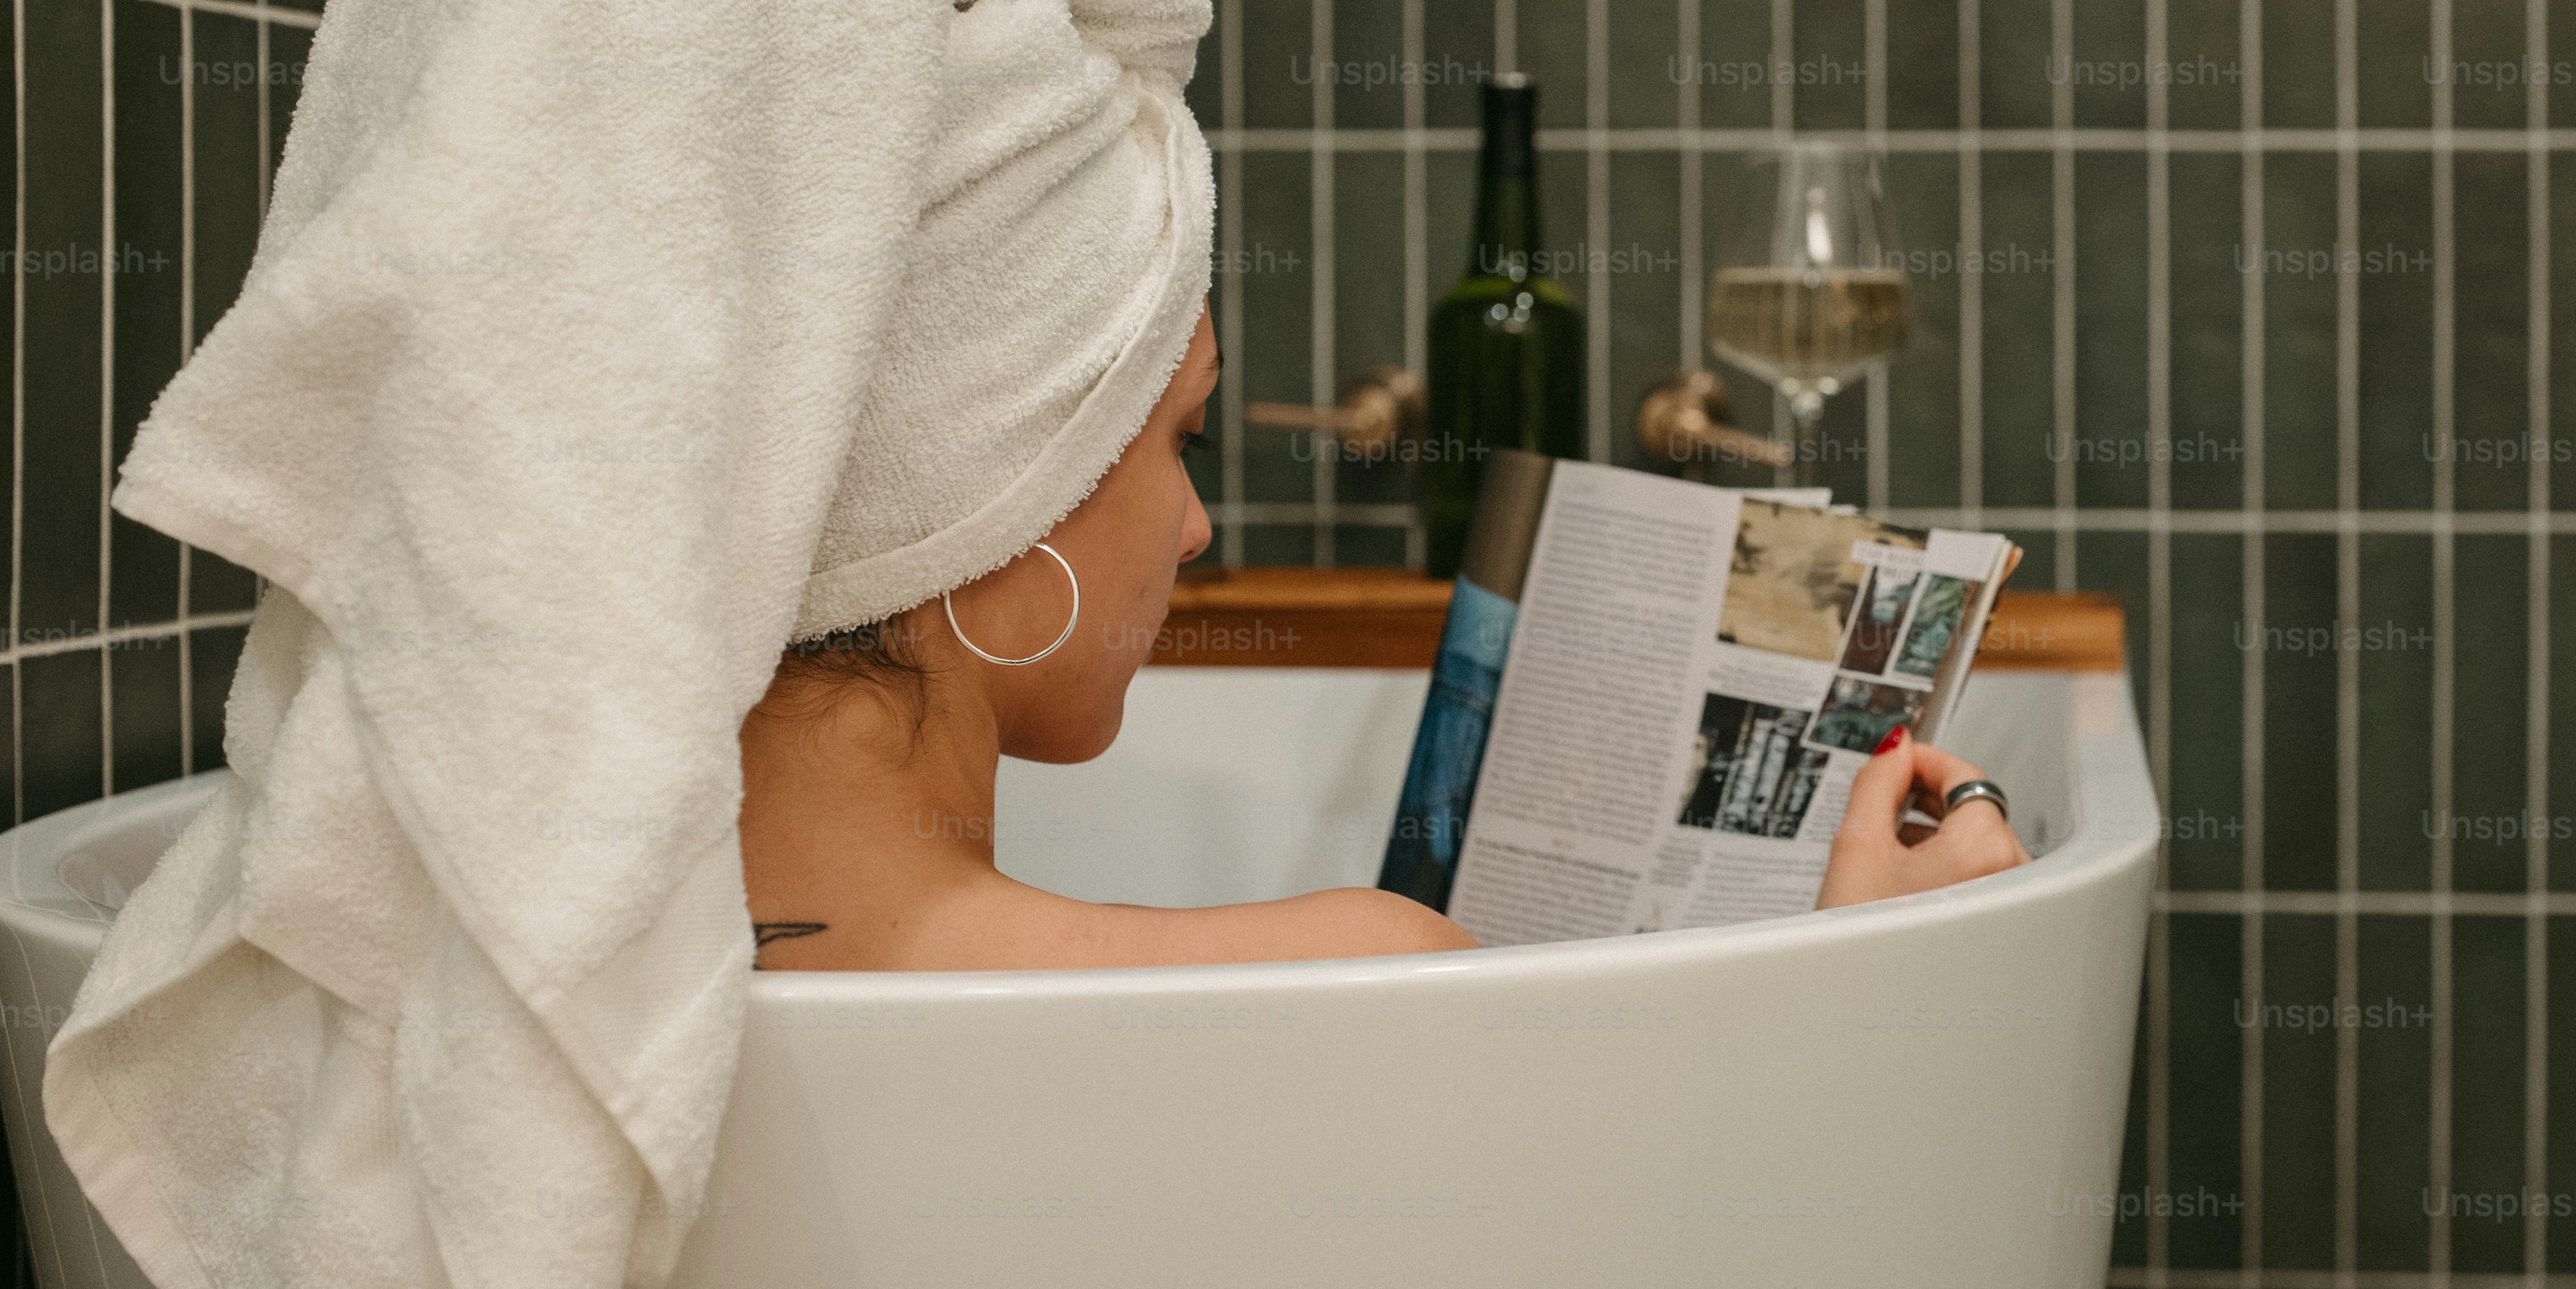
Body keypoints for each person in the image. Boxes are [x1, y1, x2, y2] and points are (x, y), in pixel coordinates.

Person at [735, 301, 2030, 970]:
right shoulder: (1363, 965)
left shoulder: (582, 984)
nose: (1193, 528)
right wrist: (1862, 960)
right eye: (1185, 438)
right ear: (991, 484)